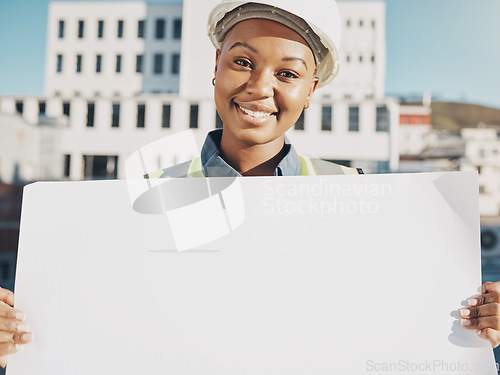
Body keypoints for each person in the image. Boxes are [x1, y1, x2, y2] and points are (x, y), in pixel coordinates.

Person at [1, 0, 499, 368]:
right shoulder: (137, 200)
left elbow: (397, 329)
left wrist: (479, 326)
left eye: (288, 73)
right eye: (242, 61)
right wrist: (20, 336)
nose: (260, 87)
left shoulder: (359, 197)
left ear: (310, 92)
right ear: (215, 66)